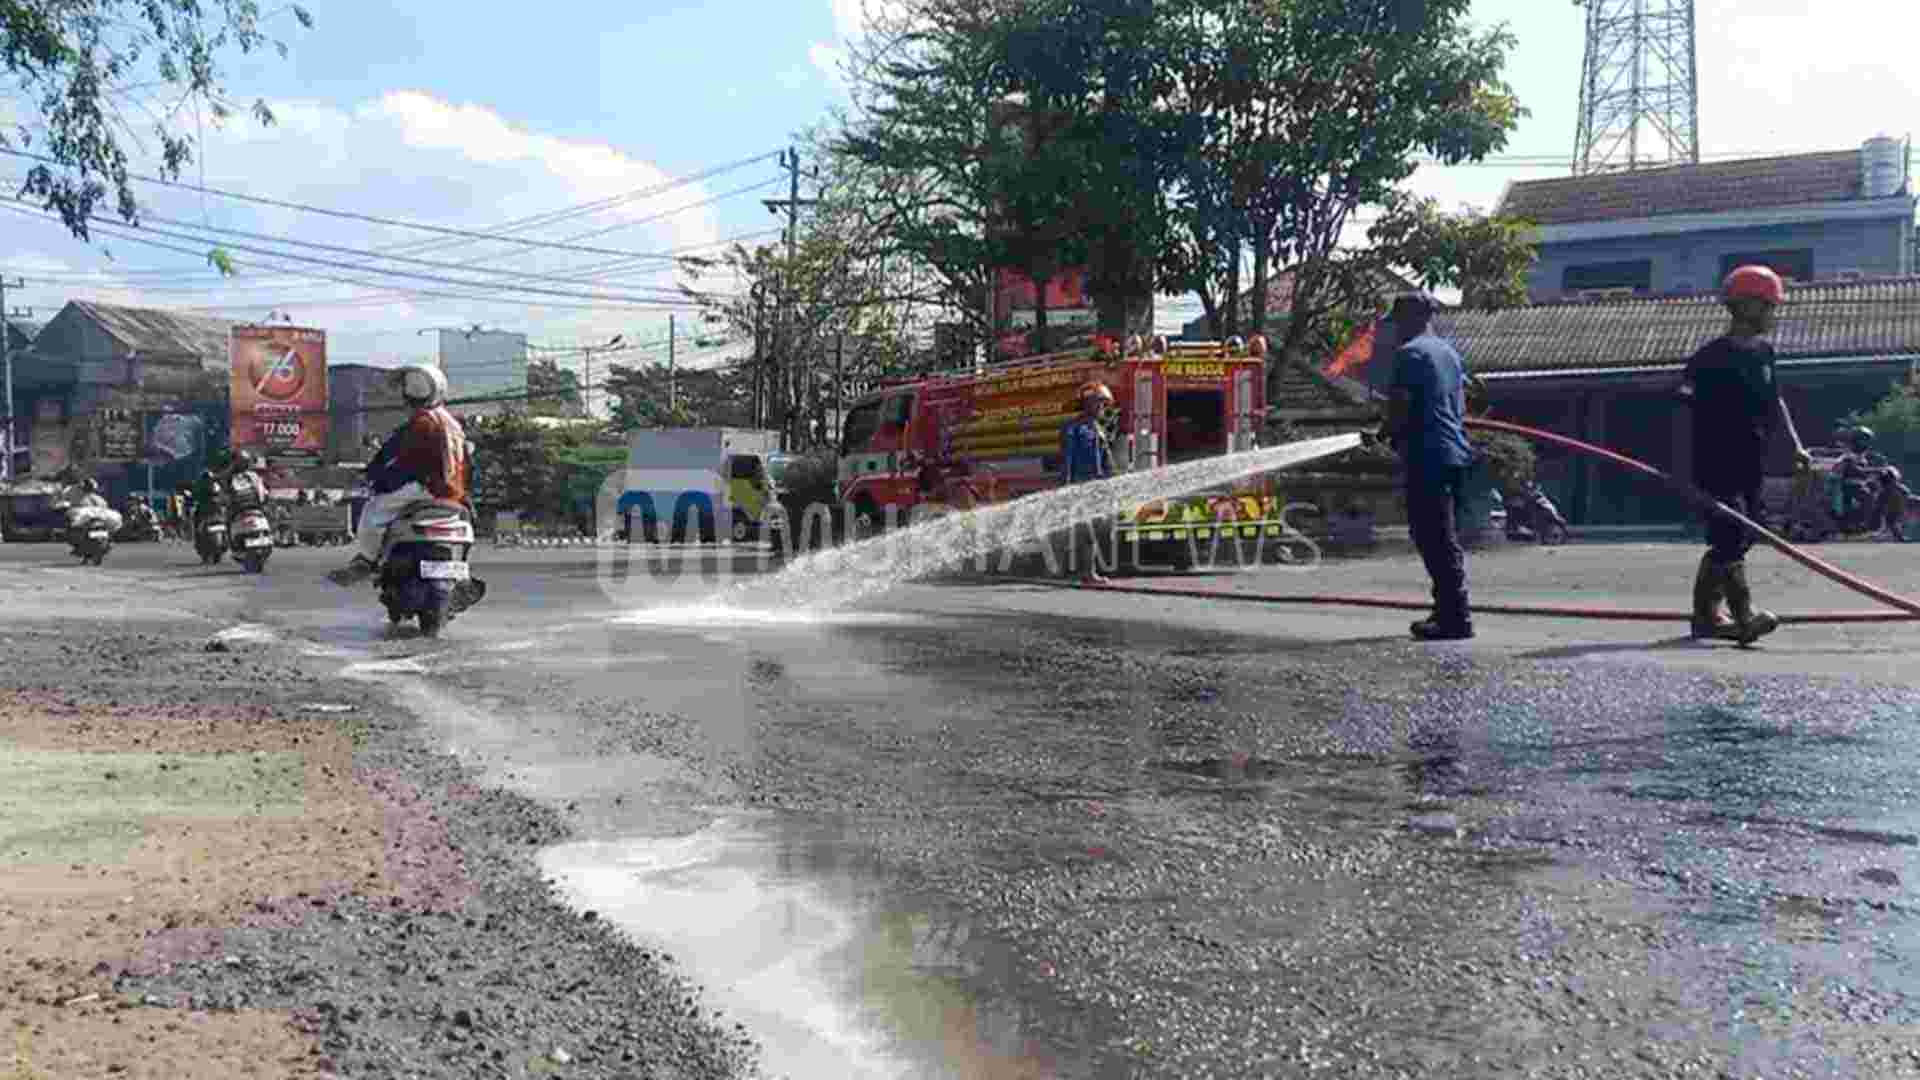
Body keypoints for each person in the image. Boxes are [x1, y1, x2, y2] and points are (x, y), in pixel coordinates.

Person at [1676, 264, 1812, 644]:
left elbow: (1775, 403)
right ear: (1747, 306)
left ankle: (1705, 617)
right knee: (1732, 535)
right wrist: (1681, 473)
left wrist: (1795, 445)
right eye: (1769, 306)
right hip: (1712, 464)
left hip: (1750, 461)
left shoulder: (1765, 355)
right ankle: (1742, 615)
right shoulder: (1709, 359)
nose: (1773, 314)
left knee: (1742, 537)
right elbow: (1681, 415)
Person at [1381, 291, 1482, 640]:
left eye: (1395, 324)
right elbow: (1459, 404)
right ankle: (1449, 611)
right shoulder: (1449, 354)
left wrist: (1385, 433)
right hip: (1453, 452)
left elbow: (1401, 406)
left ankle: (1455, 617)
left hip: (1427, 454)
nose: (1393, 331)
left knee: (1432, 536)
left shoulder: (1409, 354)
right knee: (1441, 534)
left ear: (1409, 320)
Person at [328, 363, 470, 586]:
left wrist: (380, 483)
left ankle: (366, 560)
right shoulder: (453, 424)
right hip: (453, 493)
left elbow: (404, 462)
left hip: (425, 489)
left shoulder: (421, 423)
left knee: (373, 511)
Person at [1059, 381, 1115, 586]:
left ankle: (1087, 572)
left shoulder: (1098, 429)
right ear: (1087, 404)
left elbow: (1106, 461)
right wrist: (1066, 489)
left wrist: (1112, 483)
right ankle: (1086, 574)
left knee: (1093, 532)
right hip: (1081, 487)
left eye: (1103, 404)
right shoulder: (1073, 429)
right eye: (1099, 404)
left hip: (1097, 488)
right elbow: (1067, 460)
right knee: (1087, 531)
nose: (1102, 408)